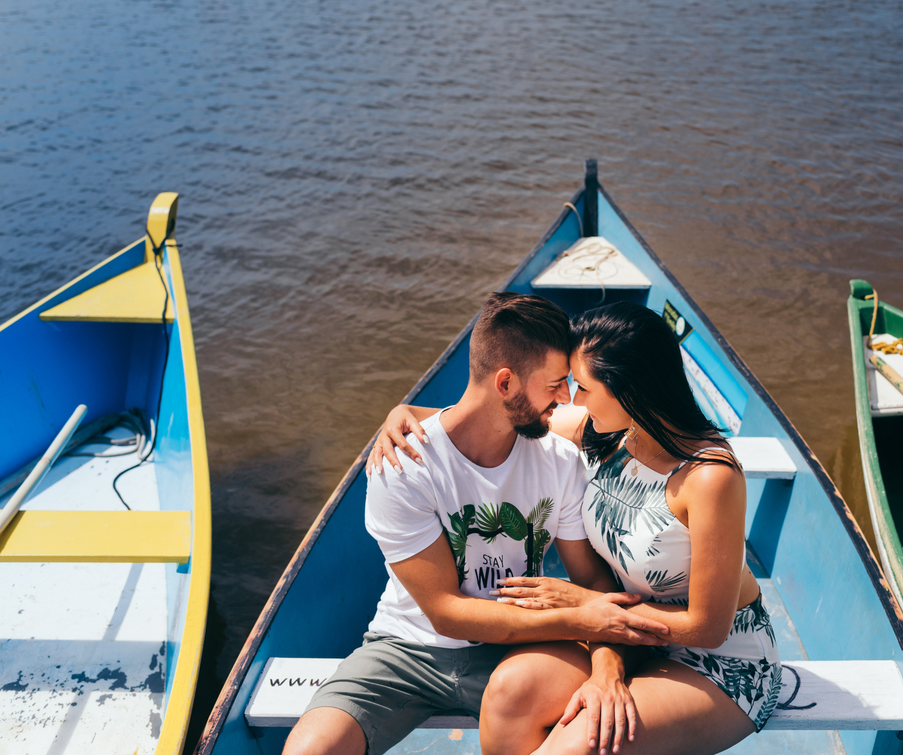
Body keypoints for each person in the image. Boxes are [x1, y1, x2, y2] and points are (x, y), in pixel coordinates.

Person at [370, 301, 781, 755]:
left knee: (575, 748)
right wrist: (401, 413)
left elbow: (707, 628)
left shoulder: (709, 477)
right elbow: (489, 413)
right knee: (509, 696)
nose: (571, 399)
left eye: (582, 386)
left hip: (715, 662)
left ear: (629, 388)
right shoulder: (604, 433)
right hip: (622, 634)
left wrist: (587, 603)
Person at [284, 293, 670, 755]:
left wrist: (608, 667)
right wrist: (581, 617)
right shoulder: (404, 465)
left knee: (597, 733)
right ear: (505, 383)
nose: (567, 398)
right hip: (407, 648)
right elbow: (446, 614)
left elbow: (590, 578)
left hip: (523, 648)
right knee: (308, 750)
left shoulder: (560, 458)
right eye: (555, 384)